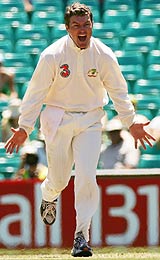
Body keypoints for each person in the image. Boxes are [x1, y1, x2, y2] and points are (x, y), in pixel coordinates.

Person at [5, 2, 155, 257]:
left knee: (86, 176)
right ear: (67, 28)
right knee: (60, 179)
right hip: (57, 118)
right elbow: (34, 94)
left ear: (92, 25)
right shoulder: (52, 55)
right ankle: (48, 194)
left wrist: (131, 122)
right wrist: (24, 127)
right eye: (76, 26)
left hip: (91, 120)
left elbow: (119, 91)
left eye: (86, 25)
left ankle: (81, 237)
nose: (82, 30)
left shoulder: (104, 54)